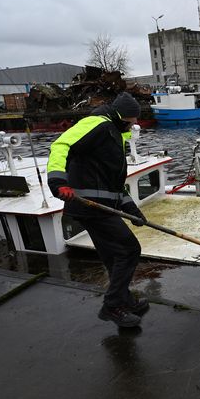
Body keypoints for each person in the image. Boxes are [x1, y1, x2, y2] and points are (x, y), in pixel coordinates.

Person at [47, 92, 148, 328]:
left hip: (103, 207)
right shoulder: (97, 125)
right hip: (88, 205)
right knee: (129, 250)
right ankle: (113, 306)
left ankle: (123, 301)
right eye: (131, 121)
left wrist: (132, 210)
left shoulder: (115, 135)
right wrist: (58, 181)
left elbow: (112, 184)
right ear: (121, 116)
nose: (134, 125)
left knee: (114, 255)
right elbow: (61, 145)